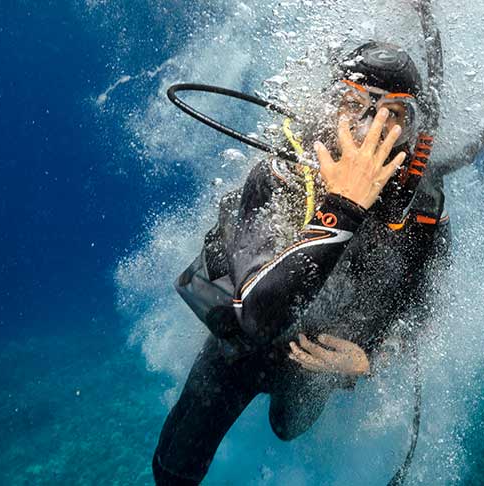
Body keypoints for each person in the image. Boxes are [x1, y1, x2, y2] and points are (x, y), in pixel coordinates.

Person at [152, 4, 451, 484]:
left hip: (315, 361)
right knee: (173, 465)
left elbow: (424, 304)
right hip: (240, 351)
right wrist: (345, 204)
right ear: (331, 105)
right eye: (356, 104)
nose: (369, 128)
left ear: (414, 132)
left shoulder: (422, 207)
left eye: (394, 114)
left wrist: (372, 358)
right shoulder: (281, 177)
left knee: (287, 428)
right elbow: (251, 318)